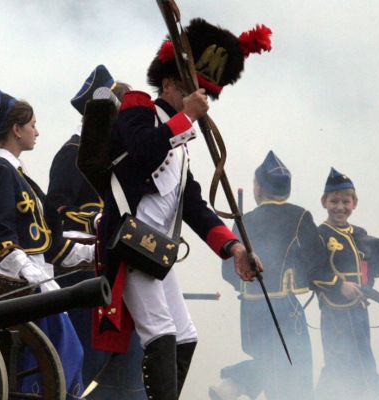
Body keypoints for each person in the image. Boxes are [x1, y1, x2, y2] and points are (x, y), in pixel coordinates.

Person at [87, 19, 271, 400]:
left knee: (186, 336)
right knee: (161, 333)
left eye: (203, 94)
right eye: (191, 89)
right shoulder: (140, 107)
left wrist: (234, 248)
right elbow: (140, 151)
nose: (200, 99)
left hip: (155, 251)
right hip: (129, 244)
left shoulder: (180, 145)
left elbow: (195, 208)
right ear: (168, 84)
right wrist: (185, 117)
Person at [0, 88, 93, 396]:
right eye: (32, 125)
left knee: (68, 353)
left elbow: (47, 243)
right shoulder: (1, 171)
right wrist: (34, 278)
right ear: (16, 129)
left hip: (34, 278)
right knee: (66, 353)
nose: (37, 132)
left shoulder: (16, 172)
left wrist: (91, 251)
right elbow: (2, 238)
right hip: (19, 284)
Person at [58, 65, 147, 400]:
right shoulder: (70, 155)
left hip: (114, 271)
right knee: (92, 365)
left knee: (129, 366)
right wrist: (99, 223)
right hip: (84, 278)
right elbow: (59, 219)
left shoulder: (120, 155)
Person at [210, 152, 320, 400]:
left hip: (250, 312)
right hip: (286, 308)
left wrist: (247, 285)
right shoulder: (300, 216)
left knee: (269, 360)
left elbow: (229, 270)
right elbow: (316, 260)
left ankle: (235, 383)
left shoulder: (244, 220)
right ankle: (237, 380)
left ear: (258, 189)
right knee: (295, 368)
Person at [309, 169, 379, 400]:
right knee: (353, 364)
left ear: (354, 203)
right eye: (334, 201)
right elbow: (312, 270)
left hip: (358, 311)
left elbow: (373, 266)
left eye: (345, 201)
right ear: (324, 202)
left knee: (347, 364)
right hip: (335, 312)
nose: (340, 207)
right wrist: (340, 285)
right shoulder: (319, 235)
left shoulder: (359, 234)